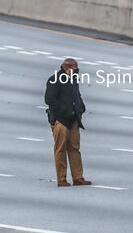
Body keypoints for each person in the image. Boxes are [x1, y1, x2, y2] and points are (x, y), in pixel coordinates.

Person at [44, 58, 92, 187]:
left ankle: (78, 177)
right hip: (61, 120)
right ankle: (62, 179)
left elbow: (77, 95)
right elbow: (49, 99)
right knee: (60, 149)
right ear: (67, 68)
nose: (77, 71)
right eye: (75, 69)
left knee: (74, 149)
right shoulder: (54, 79)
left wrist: (81, 108)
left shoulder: (73, 79)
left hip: (74, 119)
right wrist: (63, 112)